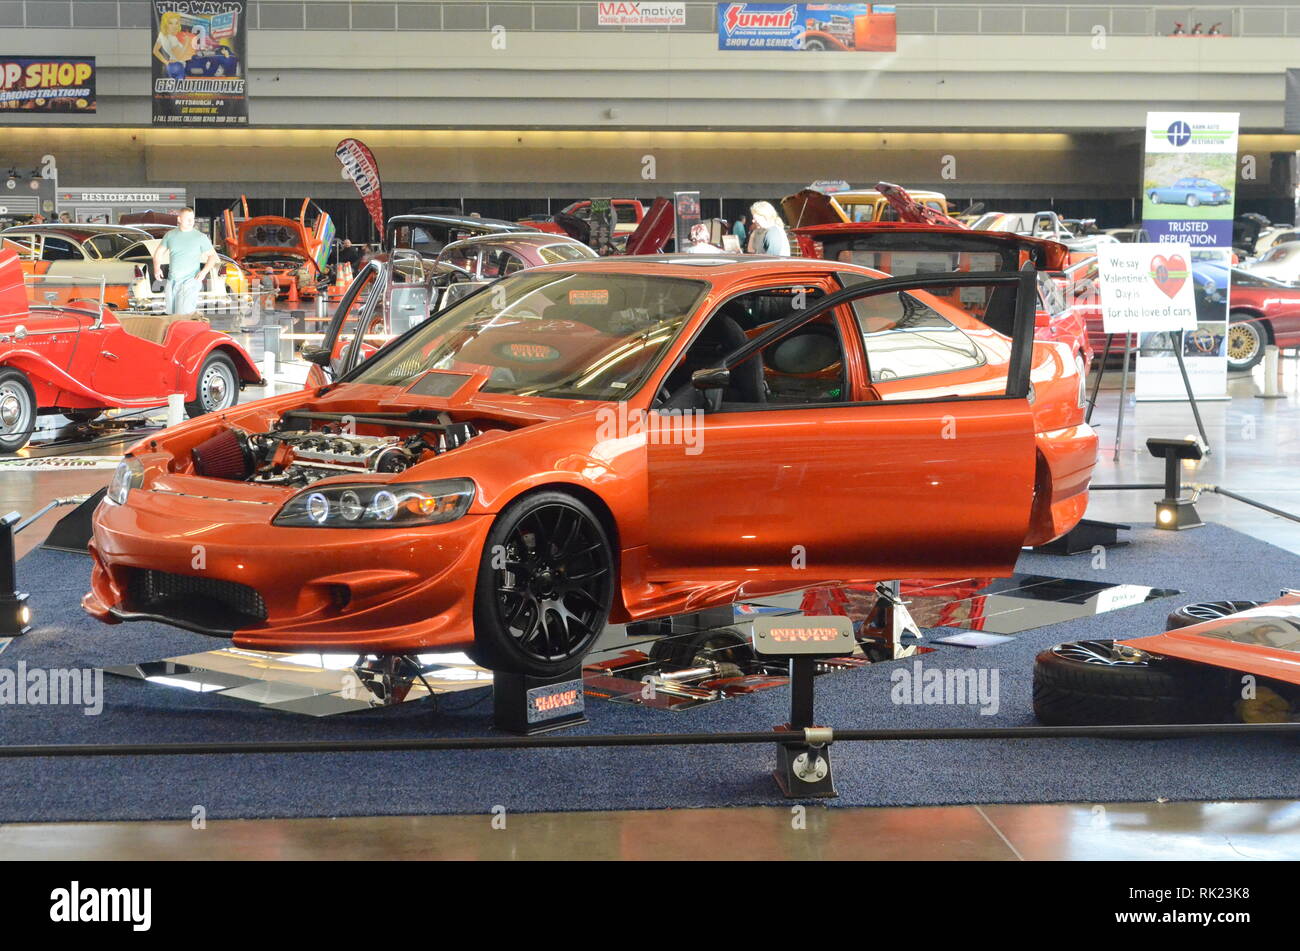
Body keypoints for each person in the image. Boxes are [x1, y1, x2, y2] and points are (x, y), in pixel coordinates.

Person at [152, 207, 219, 315]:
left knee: (183, 314)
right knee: (172, 315)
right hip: (172, 281)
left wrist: (204, 272)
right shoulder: (170, 235)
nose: (191, 221)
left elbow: (212, 256)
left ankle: (186, 331)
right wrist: (156, 268)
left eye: (192, 219)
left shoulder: (200, 237)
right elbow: (158, 253)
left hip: (190, 281)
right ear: (179, 219)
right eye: (187, 219)